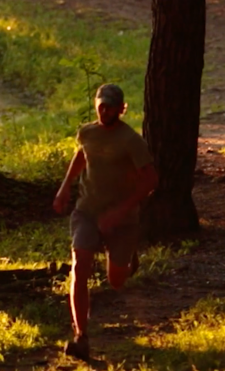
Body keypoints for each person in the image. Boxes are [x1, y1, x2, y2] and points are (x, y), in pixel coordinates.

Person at [52, 83, 159, 362]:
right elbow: (81, 156)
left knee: (116, 281)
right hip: (87, 211)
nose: (105, 110)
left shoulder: (131, 141)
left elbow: (150, 180)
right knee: (80, 264)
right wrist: (65, 188)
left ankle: (128, 259)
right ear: (96, 104)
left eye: (111, 106)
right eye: (101, 104)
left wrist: (120, 212)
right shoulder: (87, 132)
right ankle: (81, 336)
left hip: (122, 221)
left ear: (121, 109)